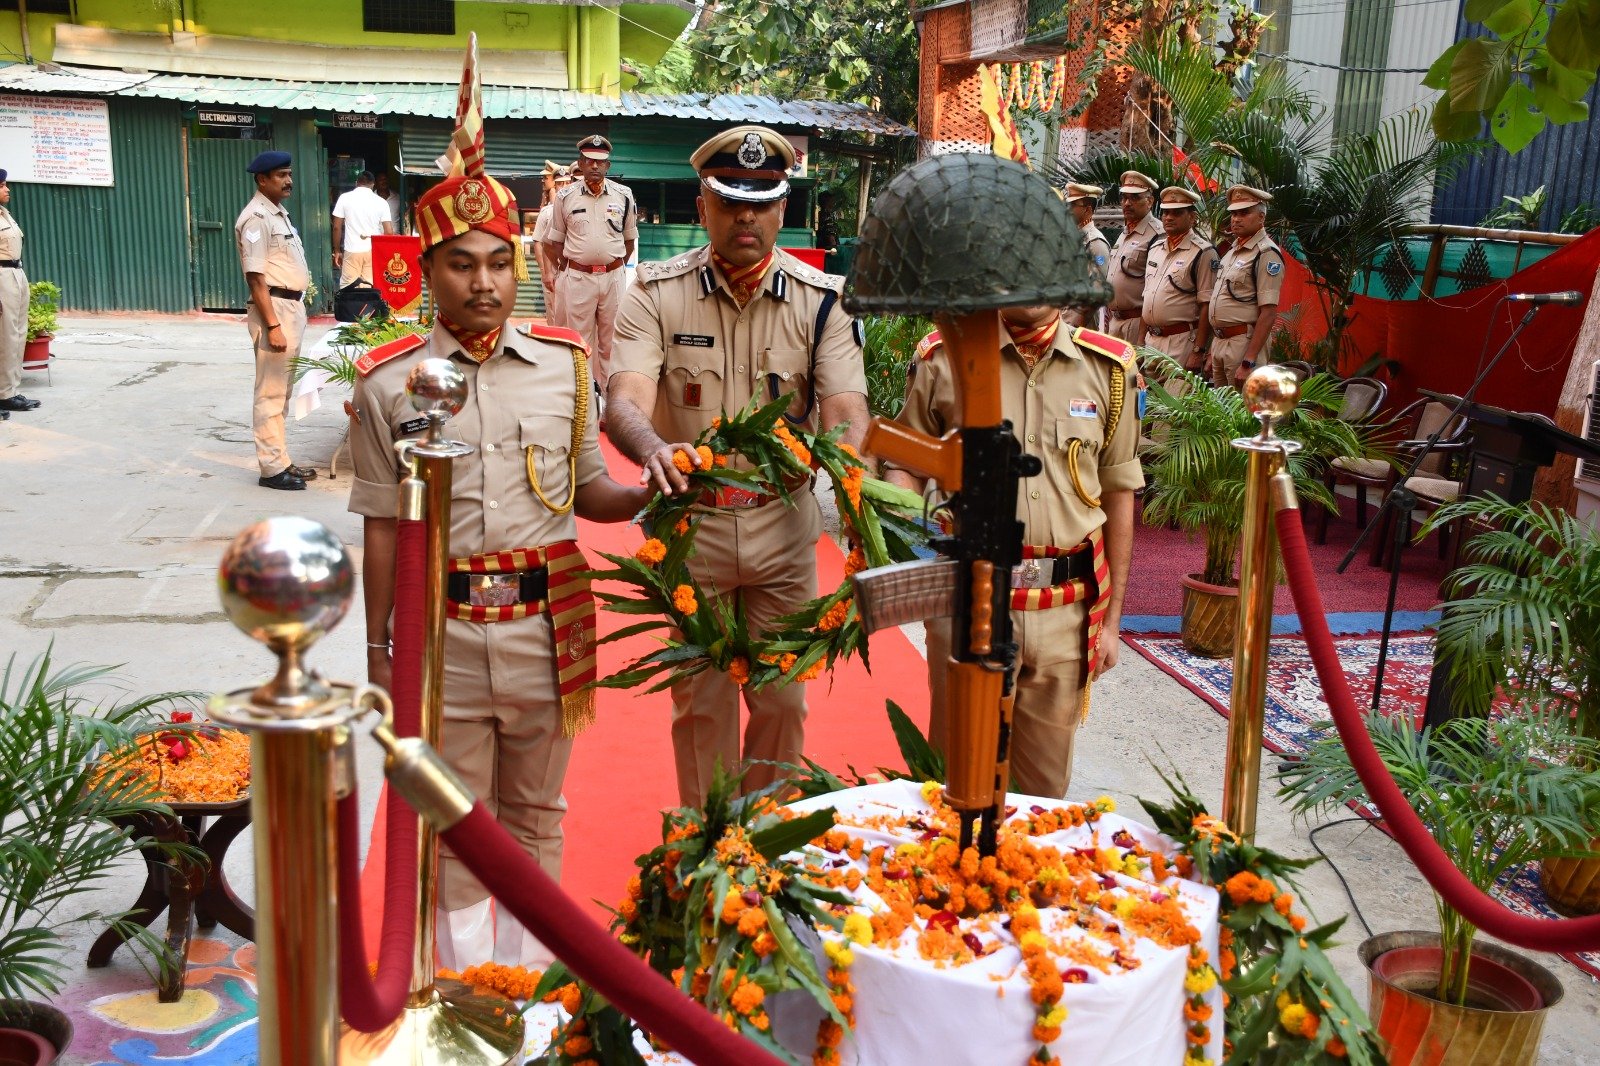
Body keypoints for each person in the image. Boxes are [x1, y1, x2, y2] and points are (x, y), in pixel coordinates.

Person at [348, 111, 649, 970]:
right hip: (441, 631)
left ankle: (522, 987)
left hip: (546, 628)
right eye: (460, 262)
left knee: (536, 817)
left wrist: (651, 496)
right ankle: (464, 991)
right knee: (458, 818)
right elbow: (379, 523)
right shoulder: (389, 384)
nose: (483, 282)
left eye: (496, 260)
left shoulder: (564, 365)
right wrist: (378, 647)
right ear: (425, 268)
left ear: (518, 263)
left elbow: (588, 489)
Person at [608, 124, 870, 808]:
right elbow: (625, 399)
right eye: (729, 200)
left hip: (783, 532)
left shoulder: (824, 304)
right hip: (690, 531)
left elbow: (846, 408)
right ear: (703, 206)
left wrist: (837, 460)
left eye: (762, 201)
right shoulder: (654, 295)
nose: (745, 215)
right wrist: (652, 447)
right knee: (703, 706)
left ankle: (765, 846)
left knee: (784, 704)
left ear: (783, 208)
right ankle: (709, 845)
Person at [886, 307, 1141, 798]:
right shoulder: (945, 357)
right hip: (971, 601)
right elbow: (905, 460)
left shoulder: (1109, 369)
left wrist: (1111, 624)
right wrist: (909, 518)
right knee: (959, 785)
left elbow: (1119, 492)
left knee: (1044, 794)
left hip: (1065, 609)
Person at [235, 150, 314, 490]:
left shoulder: (278, 214)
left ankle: (280, 458)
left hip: (290, 308)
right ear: (261, 179)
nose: (288, 180)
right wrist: (272, 326)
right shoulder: (256, 218)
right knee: (270, 392)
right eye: (280, 175)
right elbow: (256, 279)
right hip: (275, 310)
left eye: (288, 174)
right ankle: (271, 470)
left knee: (282, 392)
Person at [543, 135, 637, 389]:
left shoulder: (624, 196)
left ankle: (608, 401)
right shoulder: (566, 197)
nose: (595, 166)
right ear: (581, 163)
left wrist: (612, 266)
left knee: (612, 342)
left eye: (600, 162)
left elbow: (629, 241)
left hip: (613, 278)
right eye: (589, 161)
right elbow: (555, 242)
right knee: (578, 341)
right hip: (578, 278)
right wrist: (574, 266)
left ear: (608, 166)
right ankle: (581, 398)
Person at [1208, 185, 1285, 387]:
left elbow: (1268, 312)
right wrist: (1212, 349)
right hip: (1220, 343)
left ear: (1261, 217)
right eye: (1234, 213)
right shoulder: (1233, 251)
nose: (1236, 218)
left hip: (1242, 345)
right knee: (1221, 413)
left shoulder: (1266, 253)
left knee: (1241, 414)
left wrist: (1249, 360)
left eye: (1244, 212)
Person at [1141, 186, 1219, 371]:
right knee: (1147, 398)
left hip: (1180, 342)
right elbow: (1148, 296)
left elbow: (1206, 305)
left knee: (1177, 397)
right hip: (1150, 341)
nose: (1168, 217)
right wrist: (1139, 344)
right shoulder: (1155, 248)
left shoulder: (1203, 252)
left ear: (1192, 217)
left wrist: (1198, 351)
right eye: (1166, 212)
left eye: (1177, 213)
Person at [1104, 171, 1162, 346]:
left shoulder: (1157, 235)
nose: (1127, 203)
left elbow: (1154, 290)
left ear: (1150, 201)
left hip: (1136, 323)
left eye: (1135, 198)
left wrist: (1141, 338)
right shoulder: (1125, 232)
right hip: (1115, 322)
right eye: (1124, 198)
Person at [0, 170, 36, 416]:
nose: (7, 189)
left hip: (15, 274)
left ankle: (9, 392)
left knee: (16, 334)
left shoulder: (5, 214)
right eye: (2, 185)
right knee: (4, 337)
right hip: (1, 277)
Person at [331, 171, 396, 288]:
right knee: (369, 286)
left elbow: (336, 227)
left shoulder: (344, 198)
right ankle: (367, 307)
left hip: (352, 250)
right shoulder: (382, 202)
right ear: (373, 185)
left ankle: (351, 307)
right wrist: (384, 253)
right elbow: (389, 232)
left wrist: (337, 251)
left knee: (348, 288)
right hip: (372, 251)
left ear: (357, 183)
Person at [532, 161, 575, 325]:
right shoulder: (547, 212)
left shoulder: (578, 208)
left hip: (575, 270)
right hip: (555, 269)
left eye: (566, 182)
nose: (563, 187)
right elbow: (539, 243)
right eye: (559, 183)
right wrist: (545, 271)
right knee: (554, 314)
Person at [1062, 183, 1109, 330]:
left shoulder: (1095, 243)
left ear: (1087, 209)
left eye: (1072, 206)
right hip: (1061, 319)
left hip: (1077, 326)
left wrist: (1073, 326)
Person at [815, 189, 840, 264]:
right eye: (832, 200)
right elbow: (830, 234)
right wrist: (834, 248)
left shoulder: (821, 214)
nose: (834, 202)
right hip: (828, 249)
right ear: (827, 201)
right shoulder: (827, 215)